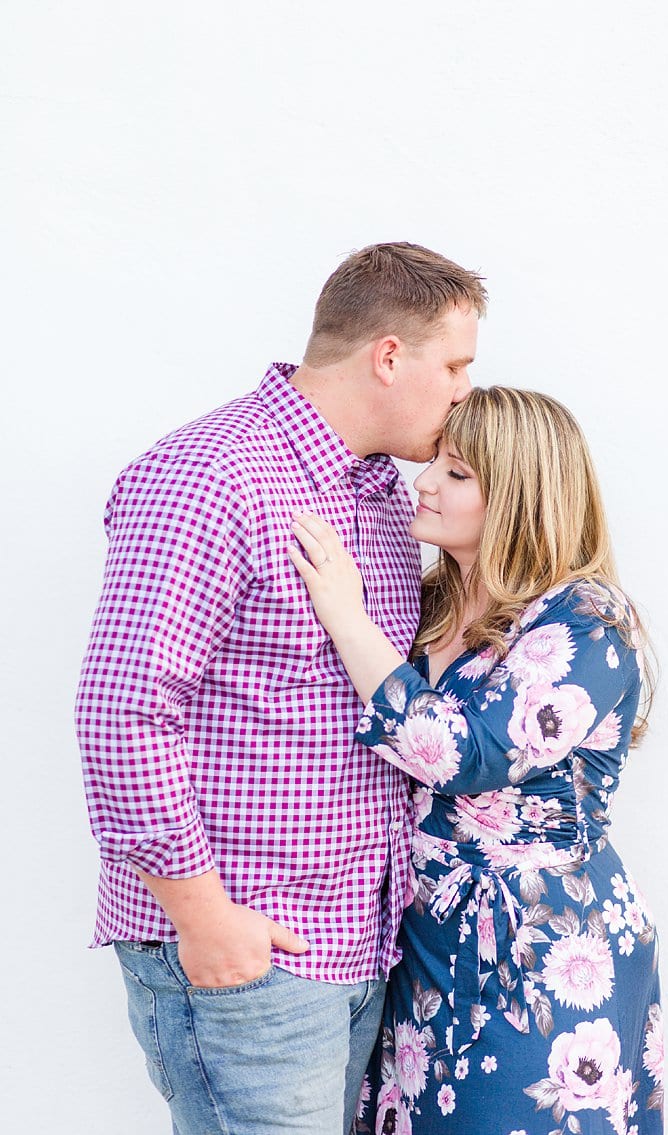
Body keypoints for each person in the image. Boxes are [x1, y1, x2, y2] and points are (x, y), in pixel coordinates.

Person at [76, 241, 485, 1134]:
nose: (464, 389)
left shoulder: (380, 494)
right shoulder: (210, 475)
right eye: (455, 363)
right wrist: (206, 918)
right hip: (250, 953)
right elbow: (123, 708)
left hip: (355, 947)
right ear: (388, 355)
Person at [289, 386, 662, 1134]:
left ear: (520, 494)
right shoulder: (425, 601)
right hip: (419, 941)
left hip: (540, 950)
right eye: (436, 463)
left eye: (456, 473)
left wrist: (345, 616)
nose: (423, 481)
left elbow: (473, 754)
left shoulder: (584, 616)